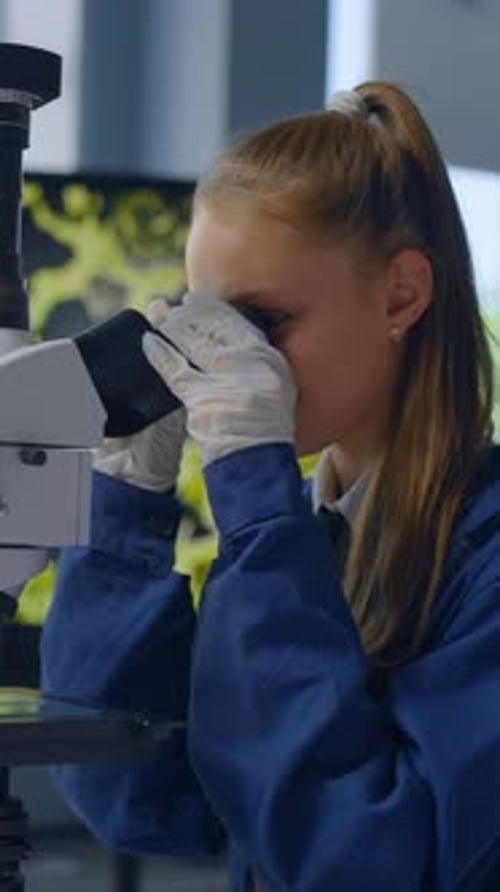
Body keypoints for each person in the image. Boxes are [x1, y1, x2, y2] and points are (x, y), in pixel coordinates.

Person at [41, 82, 500, 891]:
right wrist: (124, 510)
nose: (229, 359)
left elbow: (371, 865)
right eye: (207, 323)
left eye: (264, 324)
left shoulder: (481, 557)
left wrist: (257, 506)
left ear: (402, 294)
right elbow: (148, 800)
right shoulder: (308, 545)